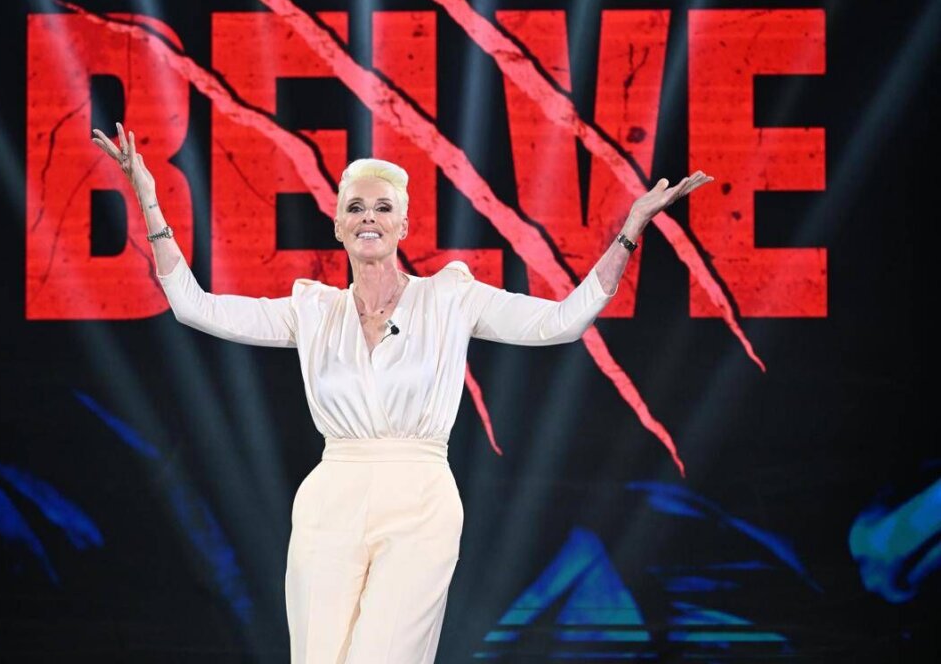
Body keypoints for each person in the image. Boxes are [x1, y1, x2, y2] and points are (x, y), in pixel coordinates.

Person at [92, 122, 713, 663]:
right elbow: (194, 307)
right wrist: (149, 200)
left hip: (420, 501)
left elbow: (562, 322)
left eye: (382, 207)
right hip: (331, 499)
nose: (369, 217)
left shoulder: (449, 297)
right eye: (356, 207)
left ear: (403, 225)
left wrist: (630, 230)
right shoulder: (312, 310)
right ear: (338, 226)